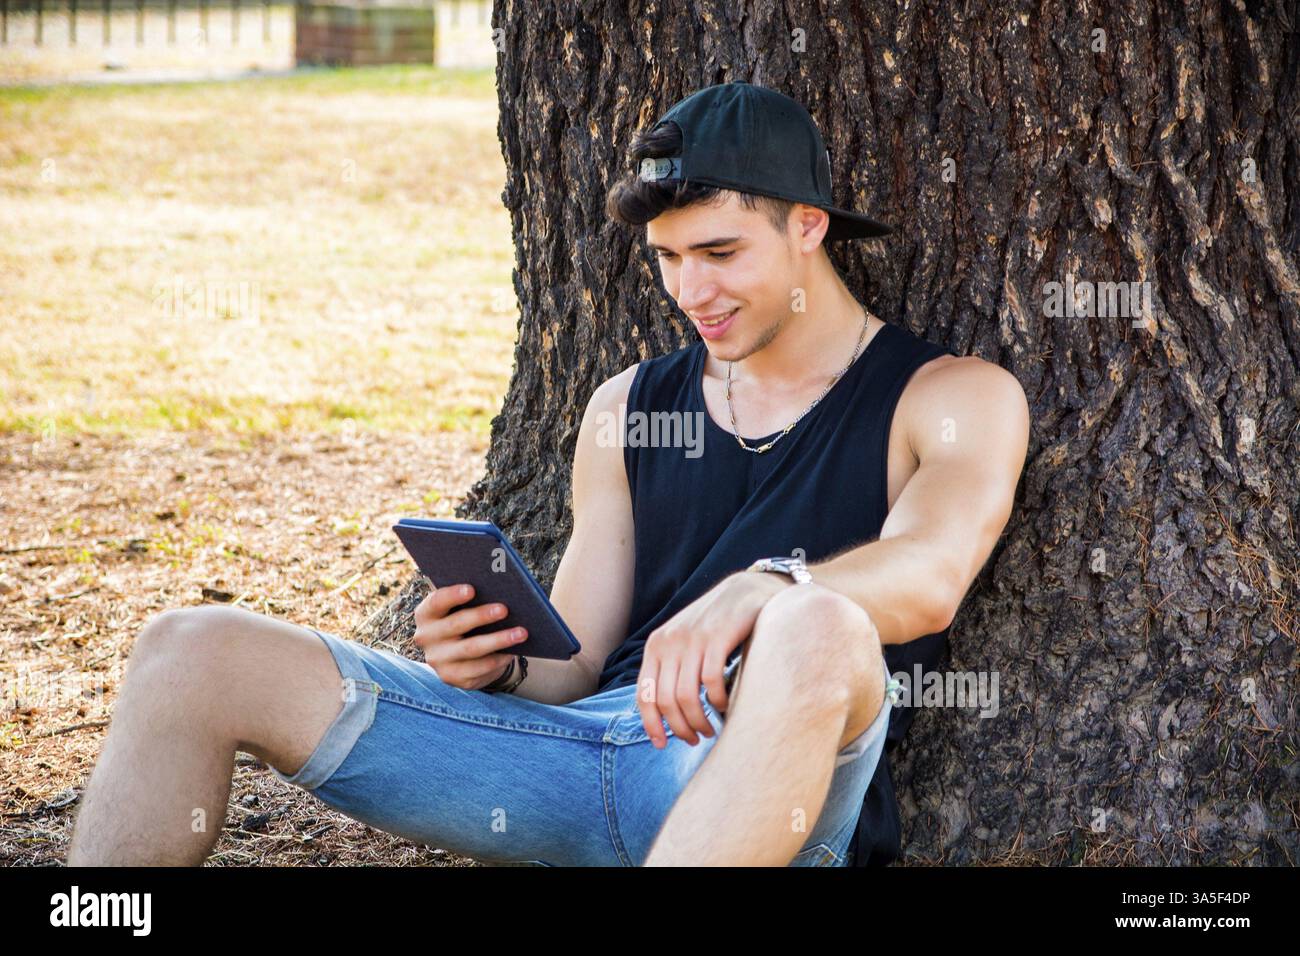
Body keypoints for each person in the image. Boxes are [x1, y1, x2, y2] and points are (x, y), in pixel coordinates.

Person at [66, 81, 1029, 867]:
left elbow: (930, 577)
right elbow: (570, 668)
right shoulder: (625, 407)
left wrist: (767, 586)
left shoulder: (949, 395)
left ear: (809, 228)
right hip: (564, 765)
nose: (693, 291)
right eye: (669, 258)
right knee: (190, 648)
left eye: (722, 253)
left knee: (817, 626)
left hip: (754, 787)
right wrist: (495, 659)